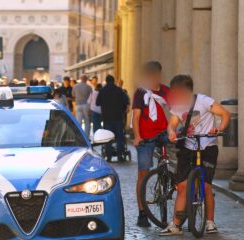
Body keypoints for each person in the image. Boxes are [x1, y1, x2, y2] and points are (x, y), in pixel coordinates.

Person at [160, 75, 230, 236]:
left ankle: (210, 222)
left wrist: (219, 128)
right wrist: (171, 133)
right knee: (182, 186)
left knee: (206, 186)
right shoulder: (177, 105)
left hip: (207, 146)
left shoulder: (205, 101)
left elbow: (225, 115)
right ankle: (176, 225)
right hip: (188, 146)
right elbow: (171, 125)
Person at [132, 61, 170, 227]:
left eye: (156, 74)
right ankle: (142, 213)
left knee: (184, 150)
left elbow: (179, 109)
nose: (153, 78)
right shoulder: (140, 92)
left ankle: (170, 184)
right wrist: (137, 136)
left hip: (163, 133)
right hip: (146, 137)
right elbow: (136, 116)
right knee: (143, 173)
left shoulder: (165, 90)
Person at [96, 75, 129, 163]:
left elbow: (97, 102)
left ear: (106, 81)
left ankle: (109, 156)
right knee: (119, 137)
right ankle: (119, 156)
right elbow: (126, 101)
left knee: (108, 137)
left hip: (107, 118)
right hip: (118, 117)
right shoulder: (119, 90)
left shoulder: (102, 91)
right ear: (114, 81)